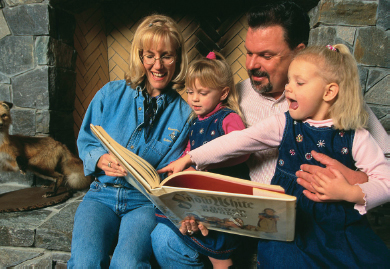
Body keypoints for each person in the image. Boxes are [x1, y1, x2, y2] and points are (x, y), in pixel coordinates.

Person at [161, 44, 390, 267]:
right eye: (289, 80)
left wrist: (349, 192)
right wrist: (190, 158)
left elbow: (386, 181)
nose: (288, 88)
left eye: (299, 83)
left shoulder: (355, 136)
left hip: (338, 228)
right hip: (287, 226)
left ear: (329, 91)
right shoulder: (284, 123)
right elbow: (240, 140)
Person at [67, 14, 192, 268]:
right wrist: (100, 159)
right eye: (150, 56)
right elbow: (87, 140)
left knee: (128, 264)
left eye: (167, 55)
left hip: (143, 204)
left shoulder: (184, 114)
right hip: (100, 195)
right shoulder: (110, 93)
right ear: (140, 57)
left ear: (177, 58)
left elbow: (174, 173)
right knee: (84, 262)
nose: (158, 65)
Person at [153, 51, 250, 268]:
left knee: (219, 249)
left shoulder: (229, 118)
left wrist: (201, 165)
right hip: (202, 190)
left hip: (225, 191)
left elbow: (242, 150)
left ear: (223, 93)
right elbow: (188, 152)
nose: (194, 98)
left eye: (203, 93)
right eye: (190, 92)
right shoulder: (196, 121)